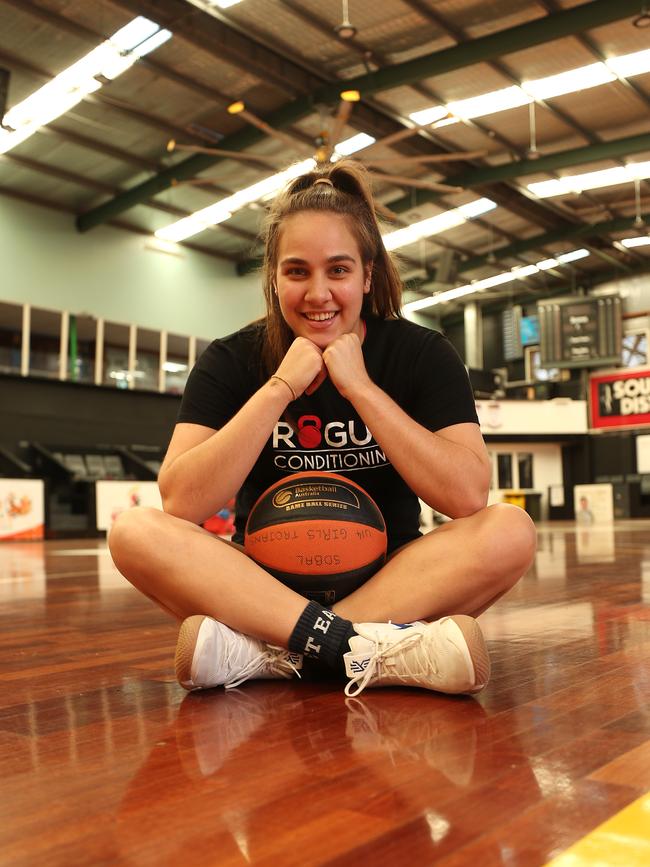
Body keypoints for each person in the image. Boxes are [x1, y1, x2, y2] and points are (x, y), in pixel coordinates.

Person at [108, 160, 536, 697]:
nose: (318, 293)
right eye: (297, 271)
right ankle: (369, 650)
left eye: (338, 270)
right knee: (134, 531)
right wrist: (279, 388)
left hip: (393, 576)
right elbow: (183, 503)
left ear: (367, 275)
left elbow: (468, 494)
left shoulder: (422, 353)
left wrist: (361, 388)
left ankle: (272, 653)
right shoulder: (231, 359)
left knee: (509, 530)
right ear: (274, 276)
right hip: (259, 583)